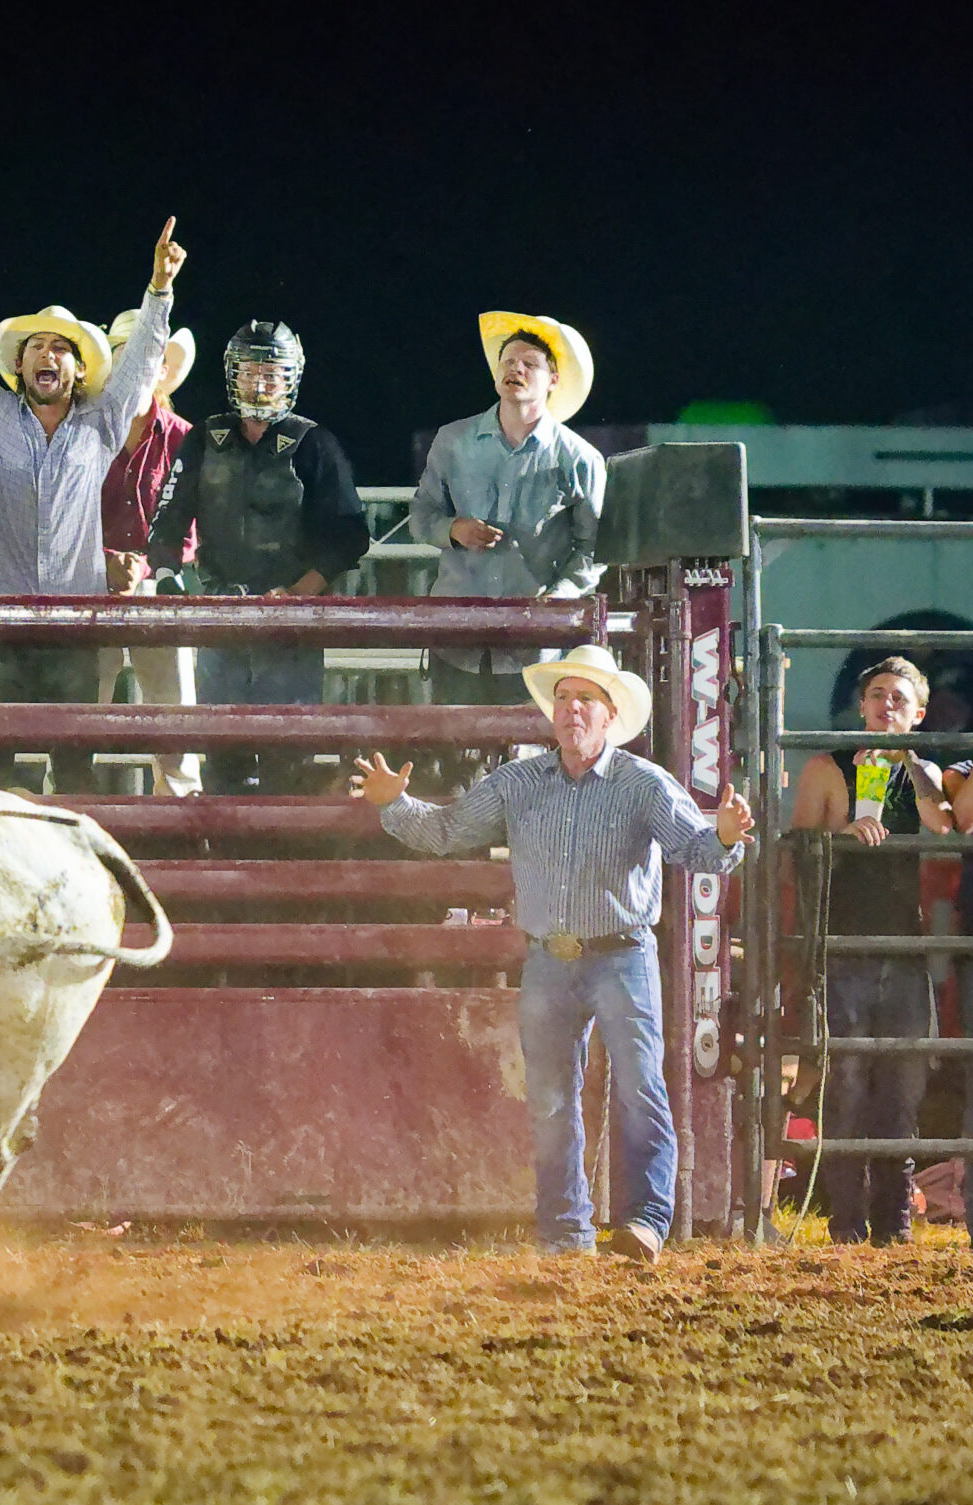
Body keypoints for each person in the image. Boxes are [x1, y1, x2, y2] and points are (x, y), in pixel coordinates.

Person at [350, 645, 754, 1261]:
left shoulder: (641, 784)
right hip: (550, 957)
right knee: (553, 1099)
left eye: (584, 700)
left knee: (638, 1087)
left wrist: (723, 838)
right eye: (563, 699)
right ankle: (566, 1230)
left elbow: (696, 851)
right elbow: (447, 831)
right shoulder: (518, 783)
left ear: (609, 714)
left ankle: (642, 1220)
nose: (571, 710)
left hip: (619, 953)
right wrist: (394, 805)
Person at [0, 208, 189, 791]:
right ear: (18, 365)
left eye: (61, 348)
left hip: (75, 619)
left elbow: (143, 360)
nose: (48, 355)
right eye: (37, 346)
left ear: (77, 367)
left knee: (73, 768)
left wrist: (159, 288)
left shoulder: (100, 424)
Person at [150, 321, 370, 796]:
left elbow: (351, 535)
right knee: (221, 756)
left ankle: (286, 865)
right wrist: (169, 579)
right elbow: (166, 520)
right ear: (233, 375)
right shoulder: (205, 438)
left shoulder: (314, 443)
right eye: (251, 372)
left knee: (287, 757)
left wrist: (296, 594)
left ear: (291, 376)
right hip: (221, 618)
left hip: (291, 627)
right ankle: (226, 863)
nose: (261, 383)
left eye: (272, 373)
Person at [789, 657, 953, 1244]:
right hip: (843, 947)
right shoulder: (825, 767)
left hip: (901, 948)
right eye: (877, 694)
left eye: (900, 699)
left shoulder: (921, 773)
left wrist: (908, 758)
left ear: (918, 714)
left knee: (903, 1089)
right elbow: (797, 849)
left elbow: (943, 823)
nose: (887, 705)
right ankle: (847, 1226)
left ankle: (896, 1226)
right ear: (860, 706)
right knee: (848, 1087)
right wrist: (840, 840)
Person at [408, 314, 607, 721]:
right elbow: (421, 513)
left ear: (553, 379)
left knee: (527, 766)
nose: (514, 368)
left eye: (529, 363)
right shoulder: (453, 440)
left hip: (532, 646)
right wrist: (453, 529)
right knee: (450, 759)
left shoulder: (579, 458)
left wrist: (558, 598)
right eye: (508, 361)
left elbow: (594, 548)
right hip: (457, 639)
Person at [99, 310, 200, 795]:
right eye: (126, 355)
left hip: (157, 587)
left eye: (148, 357)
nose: (138, 365)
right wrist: (103, 561)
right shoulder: (87, 428)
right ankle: (69, 801)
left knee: (175, 707)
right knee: (77, 713)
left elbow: (194, 522)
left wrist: (151, 564)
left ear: (163, 370)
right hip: (88, 586)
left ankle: (180, 814)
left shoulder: (186, 437)